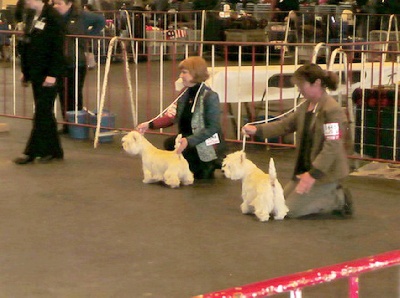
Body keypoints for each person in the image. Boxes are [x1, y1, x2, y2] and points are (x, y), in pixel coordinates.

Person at [242, 63, 353, 218]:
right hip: (304, 171)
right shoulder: (305, 106)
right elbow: (285, 125)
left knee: (289, 211)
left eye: (301, 85)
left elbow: (332, 146)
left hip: (324, 173)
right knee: (277, 205)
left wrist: (313, 174)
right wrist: (257, 130)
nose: (299, 89)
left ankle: (338, 199)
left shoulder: (331, 110)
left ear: (317, 83)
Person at [137, 56, 226, 180]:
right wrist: (150, 124)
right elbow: (172, 117)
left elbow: (213, 128)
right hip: (185, 140)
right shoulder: (184, 93)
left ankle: (211, 162)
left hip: (205, 141)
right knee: (169, 143)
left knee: (199, 175)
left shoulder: (210, 96)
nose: (181, 76)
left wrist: (189, 141)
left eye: (184, 72)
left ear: (196, 73)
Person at [14, 0, 66, 164]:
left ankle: (31, 152)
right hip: (36, 72)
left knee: (42, 112)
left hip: (49, 73)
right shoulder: (31, 16)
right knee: (46, 113)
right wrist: (26, 72)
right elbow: (28, 43)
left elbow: (57, 48)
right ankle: (55, 151)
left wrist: (53, 74)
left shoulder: (52, 16)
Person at [53, 0, 105, 134]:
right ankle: (67, 124)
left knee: (75, 94)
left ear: (69, 4)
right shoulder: (53, 15)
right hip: (59, 61)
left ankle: (77, 124)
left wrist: (87, 36)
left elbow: (100, 20)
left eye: (58, 3)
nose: (55, 6)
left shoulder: (83, 15)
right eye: (54, 3)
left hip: (77, 62)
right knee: (62, 94)